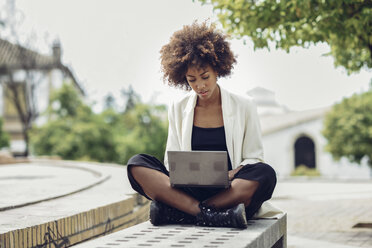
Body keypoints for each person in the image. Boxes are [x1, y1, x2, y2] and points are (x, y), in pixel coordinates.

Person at [127, 21, 281, 228]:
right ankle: (210, 214)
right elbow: (171, 160)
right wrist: (186, 175)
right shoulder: (178, 107)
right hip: (190, 189)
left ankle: (185, 212)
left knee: (265, 173)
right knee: (137, 164)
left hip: (230, 190)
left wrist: (232, 173)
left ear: (217, 69)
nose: (200, 85)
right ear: (183, 78)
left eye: (205, 77)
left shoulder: (244, 105)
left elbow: (254, 156)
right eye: (192, 80)